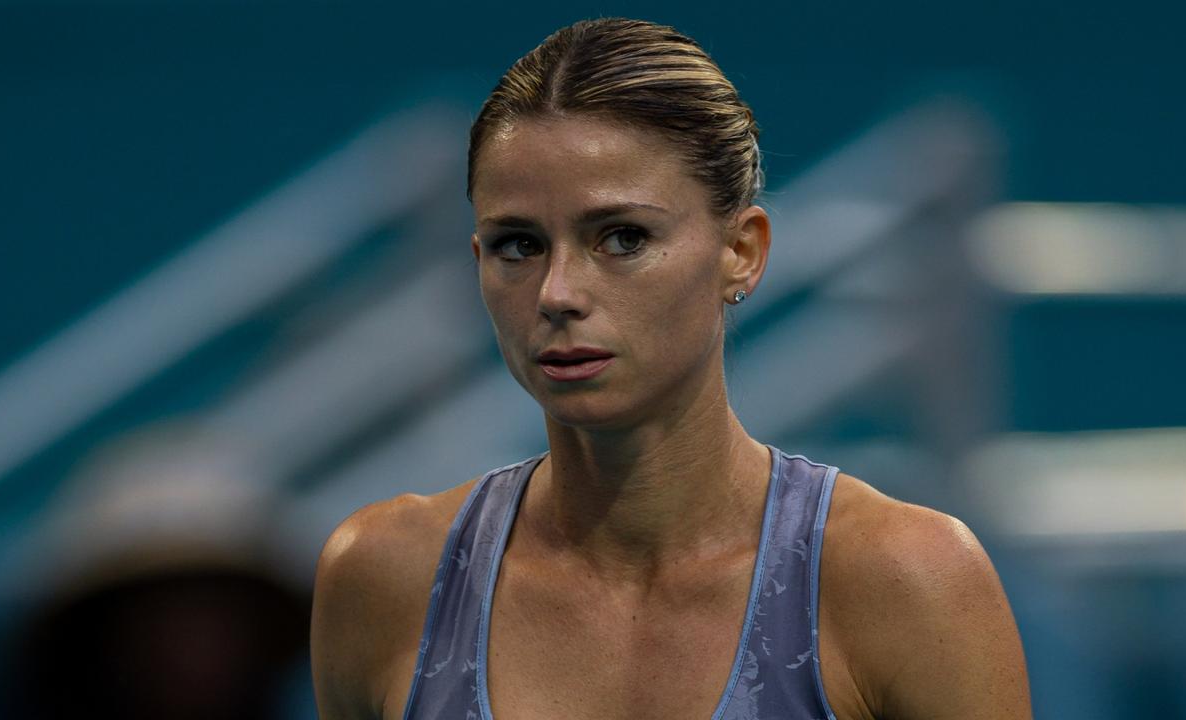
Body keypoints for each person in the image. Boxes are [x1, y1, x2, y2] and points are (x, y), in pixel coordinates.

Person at [311, 17, 1031, 720]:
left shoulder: (907, 581)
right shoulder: (381, 577)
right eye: (518, 246)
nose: (558, 293)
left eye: (622, 238)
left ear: (741, 251)